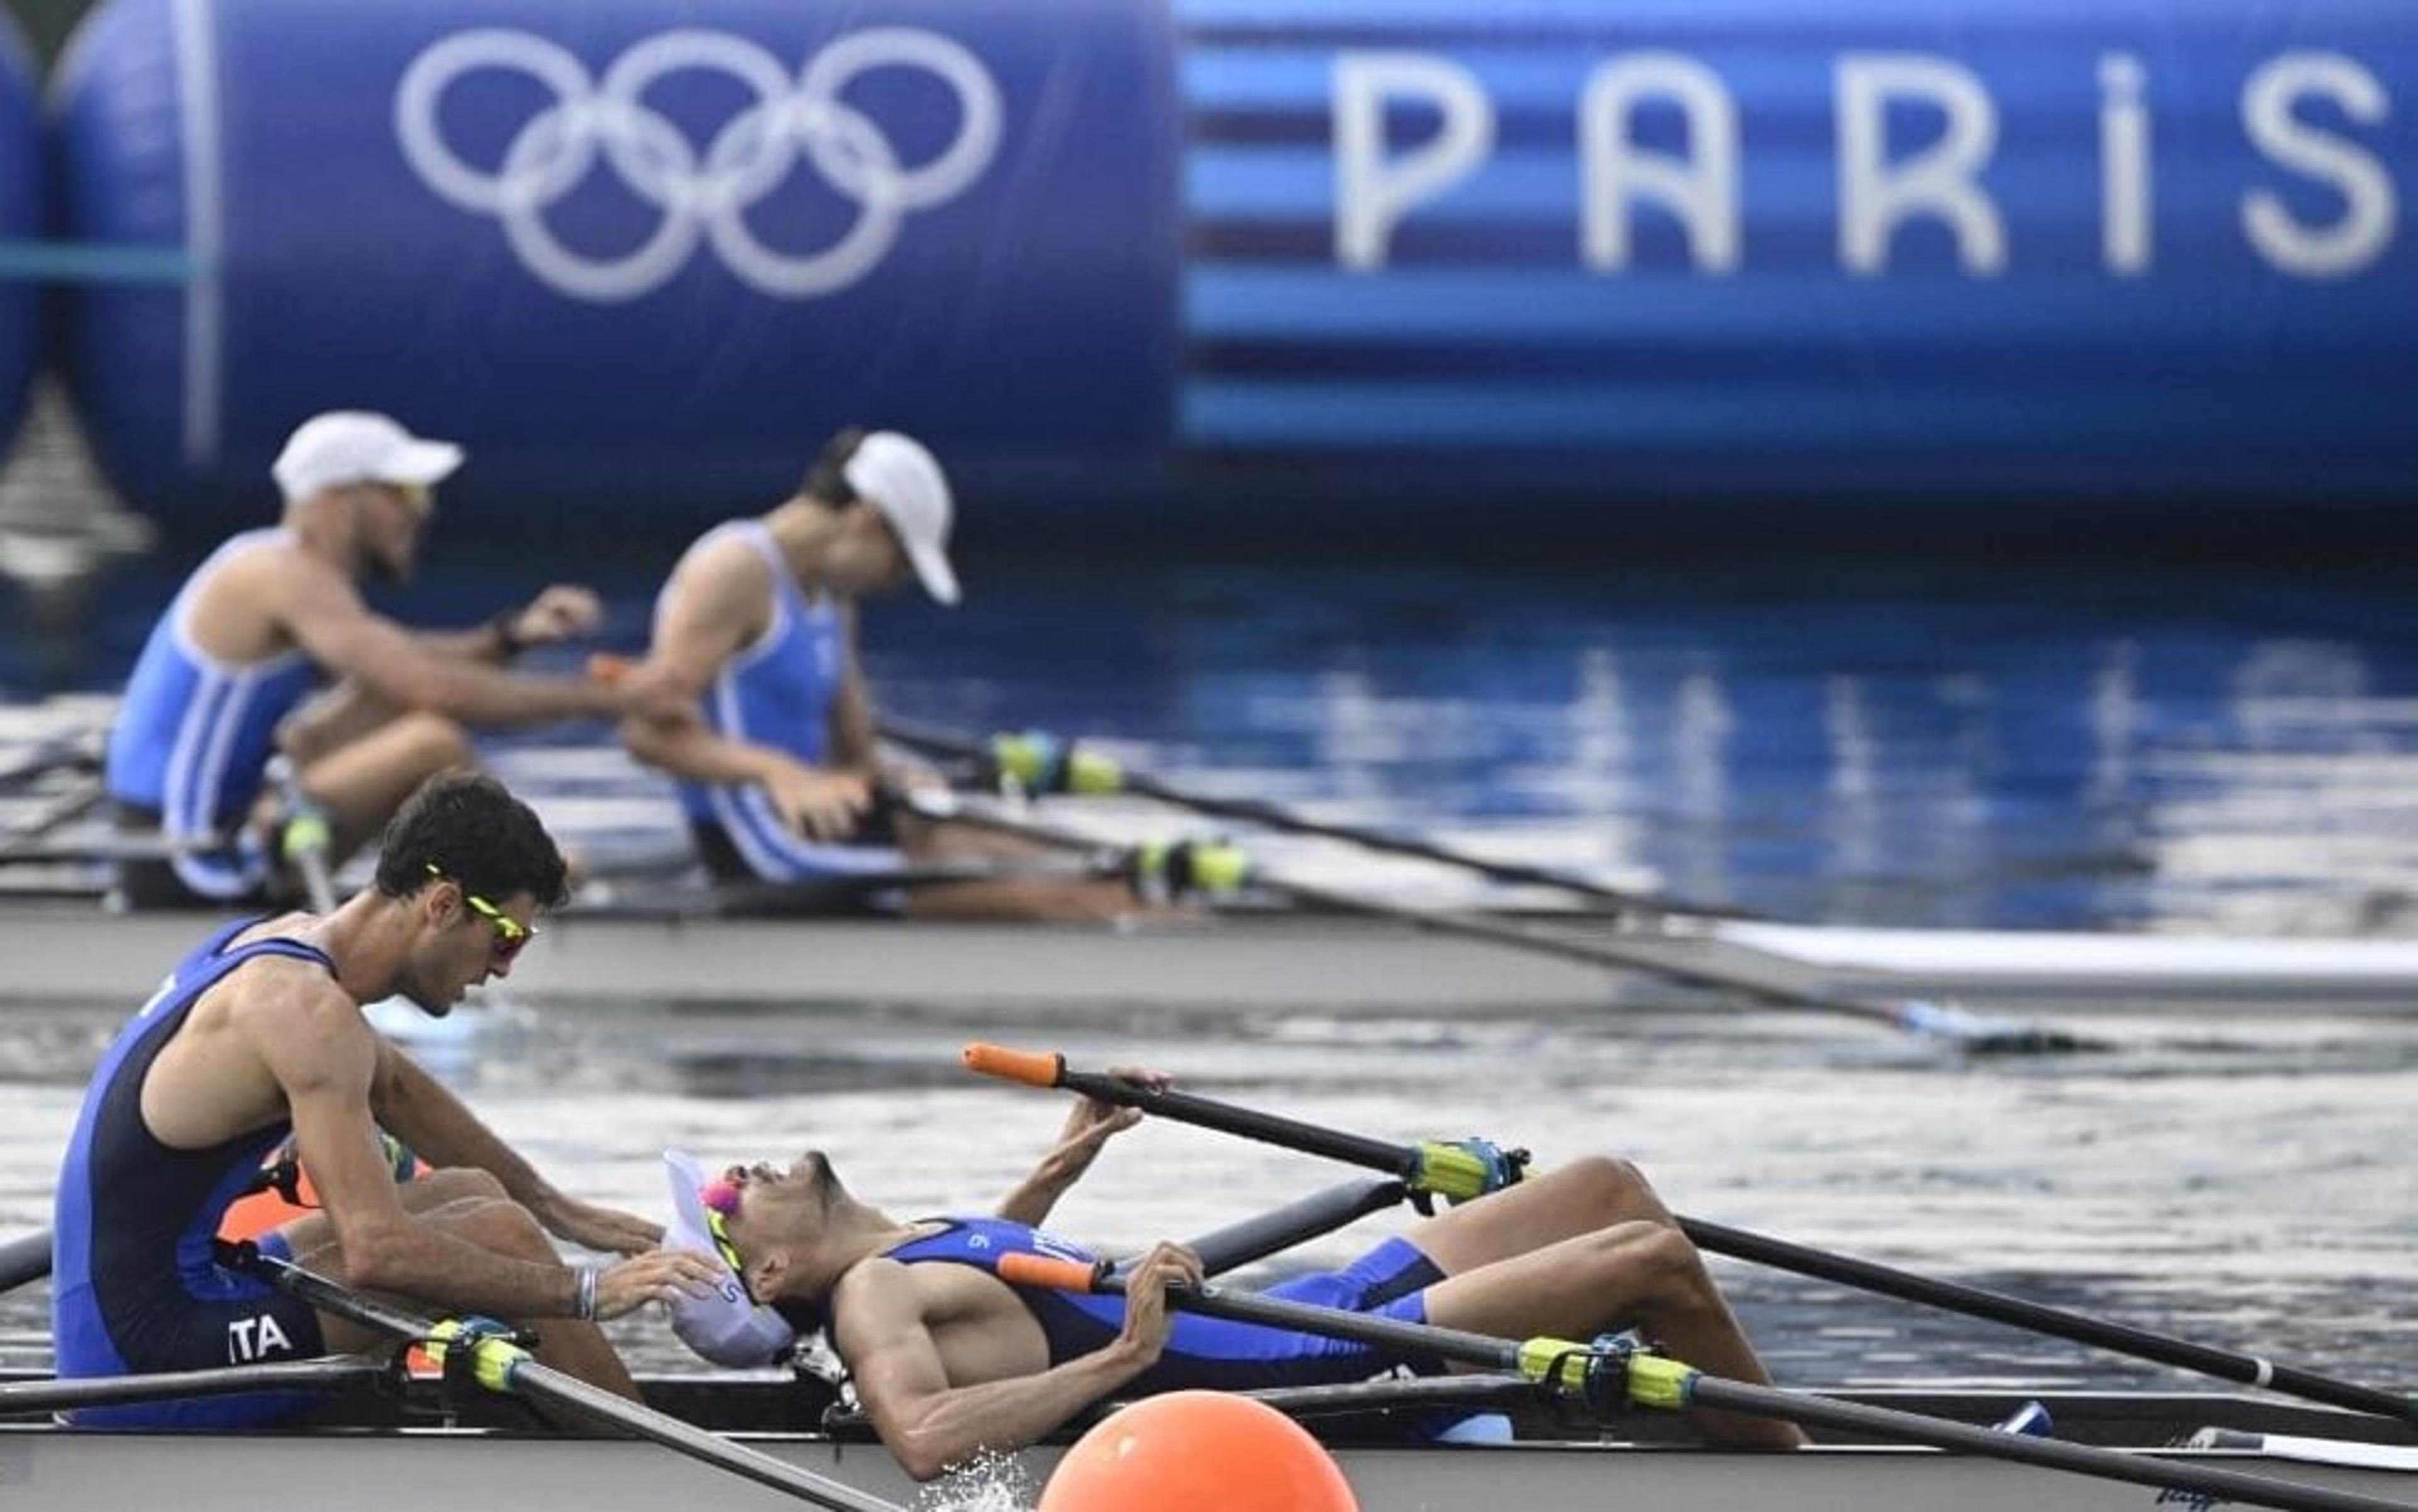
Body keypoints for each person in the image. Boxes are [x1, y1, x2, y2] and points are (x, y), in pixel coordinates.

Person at [50, 771, 722, 1428]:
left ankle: (603, 1429)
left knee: (479, 1192)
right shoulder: (308, 1013)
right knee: (501, 1233)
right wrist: (585, 1292)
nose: (502, 968)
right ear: (442, 904)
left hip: (144, 1304)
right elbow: (378, 1251)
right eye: (506, 938)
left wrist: (559, 1208)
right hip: (140, 1359)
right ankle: (658, 1471)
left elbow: (397, 1089)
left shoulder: (279, 942)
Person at [664, 1118, 1807, 1481]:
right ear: (767, 1277)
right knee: (1647, 1258)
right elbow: (918, 1437)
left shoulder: (898, 1253)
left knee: (1603, 1184)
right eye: (727, 1196)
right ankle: (1788, 1468)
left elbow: (992, 1278)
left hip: (1308, 1304)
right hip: (1308, 1365)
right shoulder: (869, 1302)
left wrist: (1068, 1157)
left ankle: (1721, 1412)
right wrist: (1119, 1365)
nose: (742, 1173)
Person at [103, 409, 679, 908]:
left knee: (385, 700)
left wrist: (511, 637)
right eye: (405, 493)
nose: (420, 513)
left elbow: (403, 662)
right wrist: (615, 699)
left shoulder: (281, 569)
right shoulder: (279, 577)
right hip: (188, 859)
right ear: (342, 500)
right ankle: (528, 879)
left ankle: (476, 896)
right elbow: (434, 686)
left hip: (225, 827)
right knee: (432, 740)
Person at [614, 427, 1143, 919]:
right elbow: (646, 735)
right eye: (901, 563)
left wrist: (899, 777)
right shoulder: (732, 571)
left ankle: (1183, 925)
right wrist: (781, 771)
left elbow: (856, 754)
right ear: (866, 519)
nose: (896, 582)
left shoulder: (832, 596)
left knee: (1046, 854)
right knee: (1074, 892)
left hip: (828, 828)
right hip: (765, 849)